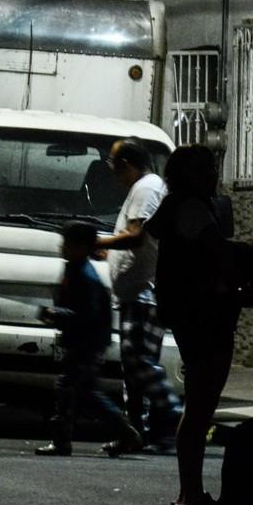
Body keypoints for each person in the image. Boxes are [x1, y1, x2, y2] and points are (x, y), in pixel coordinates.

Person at [145, 145, 243, 505]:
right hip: (204, 315)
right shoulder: (192, 209)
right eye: (205, 170)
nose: (213, 177)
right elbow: (221, 255)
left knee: (199, 403)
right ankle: (190, 491)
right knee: (201, 404)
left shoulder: (175, 208)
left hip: (188, 315)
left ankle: (191, 490)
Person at [94, 139, 181, 454]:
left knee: (138, 362)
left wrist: (99, 243)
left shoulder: (146, 188)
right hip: (136, 293)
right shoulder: (145, 187)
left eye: (113, 165)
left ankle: (172, 414)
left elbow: (135, 236)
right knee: (133, 370)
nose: (113, 173)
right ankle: (137, 432)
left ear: (126, 164)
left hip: (144, 293)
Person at [35, 222, 145, 457]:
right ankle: (123, 432)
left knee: (71, 388)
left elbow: (88, 315)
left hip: (87, 343)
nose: (63, 248)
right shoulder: (74, 269)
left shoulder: (86, 276)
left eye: (68, 244)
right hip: (81, 340)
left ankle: (65, 440)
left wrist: (56, 315)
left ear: (83, 247)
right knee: (83, 392)